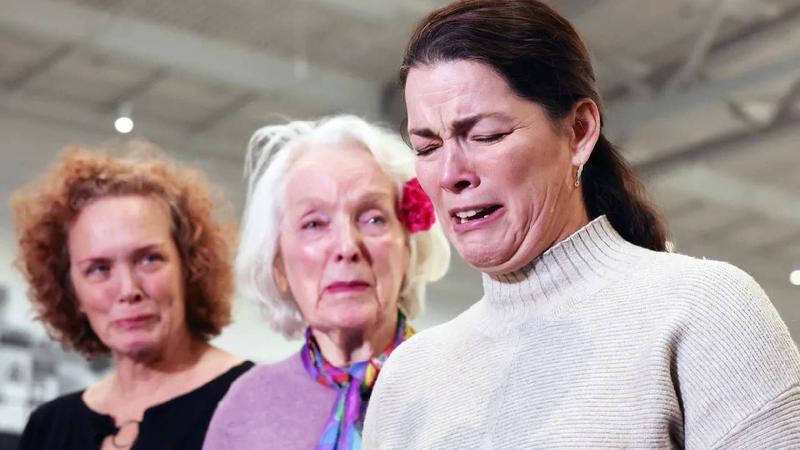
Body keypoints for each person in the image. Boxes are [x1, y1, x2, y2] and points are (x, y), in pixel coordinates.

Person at [363, 1, 800, 448]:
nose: (452, 172)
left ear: (578, 131)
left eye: (486, 135)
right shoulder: (407, 379)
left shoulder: (704, 311)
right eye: (428, 146)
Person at [202, 115, 450, 449]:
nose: (347, 247)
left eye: (373, 218)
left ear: (408, 248)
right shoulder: (246, 406)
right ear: (279, 264)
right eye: (314, 224)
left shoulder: (461, 385)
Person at [11, 144, 253, 450]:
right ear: (70, 291)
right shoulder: (49, 428)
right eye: (99, 268)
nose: (128, 290)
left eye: (149, 259)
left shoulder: (256, 402)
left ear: (190, 268)